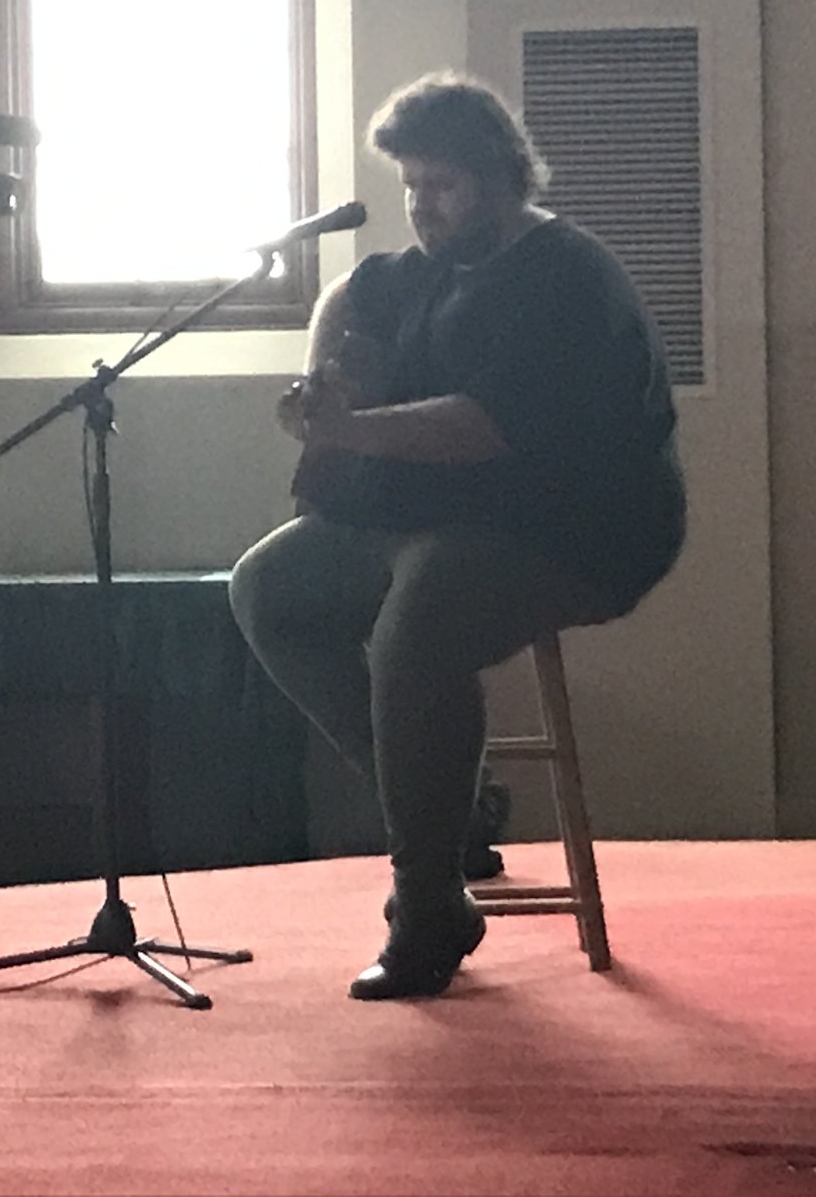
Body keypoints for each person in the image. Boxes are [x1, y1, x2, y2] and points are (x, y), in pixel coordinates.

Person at [230, 73, 685, 1000]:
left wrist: (349, 431)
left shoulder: (565, 275)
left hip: (573, 529)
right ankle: (453, 811)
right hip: (433, 517)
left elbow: (480, 427)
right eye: (409, 186)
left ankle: (429, 906)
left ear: (498, 178)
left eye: (439, 186)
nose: (420, 207)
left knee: (420, 618)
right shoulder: (426, 267)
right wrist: (324, 371)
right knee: (267, 588)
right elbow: (355, 297)